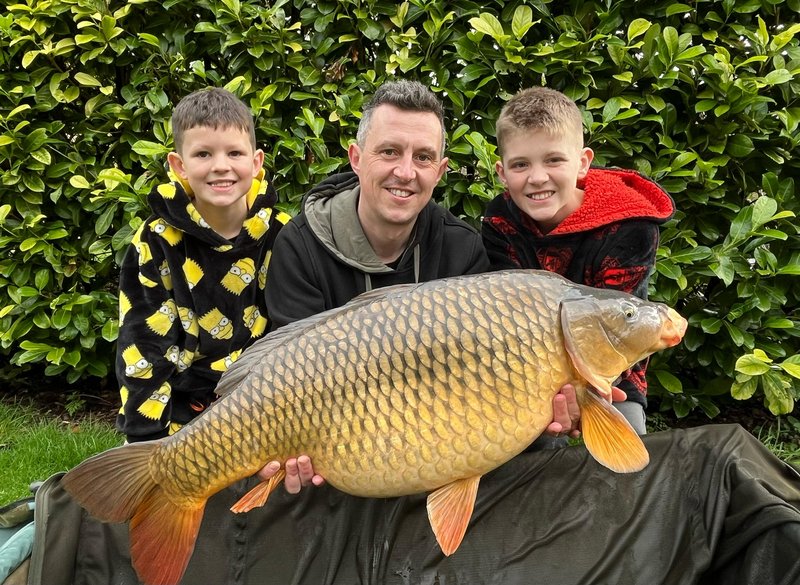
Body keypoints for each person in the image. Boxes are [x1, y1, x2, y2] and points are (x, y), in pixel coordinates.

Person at [260, 80, 588, 492]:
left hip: (431, 449)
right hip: (332, 458)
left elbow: (482, 389)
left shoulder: (463, 250)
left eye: (423, 157)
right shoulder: (300, 245)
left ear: (440, 170)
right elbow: (285, 376)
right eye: (389, 152)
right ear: (357, 158)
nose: (405, 172)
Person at [481, 86, 675, 434]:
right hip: (527, 370)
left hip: (611, 370)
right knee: (531, 446)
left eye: (553, 160)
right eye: (521, 164)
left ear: (583, 161)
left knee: (626, 446)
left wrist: (587, 391)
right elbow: (507, 320)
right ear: (501, 172)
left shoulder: (630, 226)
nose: (537, 177)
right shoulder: (499, 222)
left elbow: (620, 328)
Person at [115, 87, 289, 443]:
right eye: (204, 154)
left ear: (256, 163)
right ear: (179, 165)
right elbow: (143, 347)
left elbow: (294, 337)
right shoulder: (155, 240)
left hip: (265, 408)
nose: (221, 166)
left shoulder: (283, 233)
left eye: (234, 153)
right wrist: (146, 439)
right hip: (182, 413)